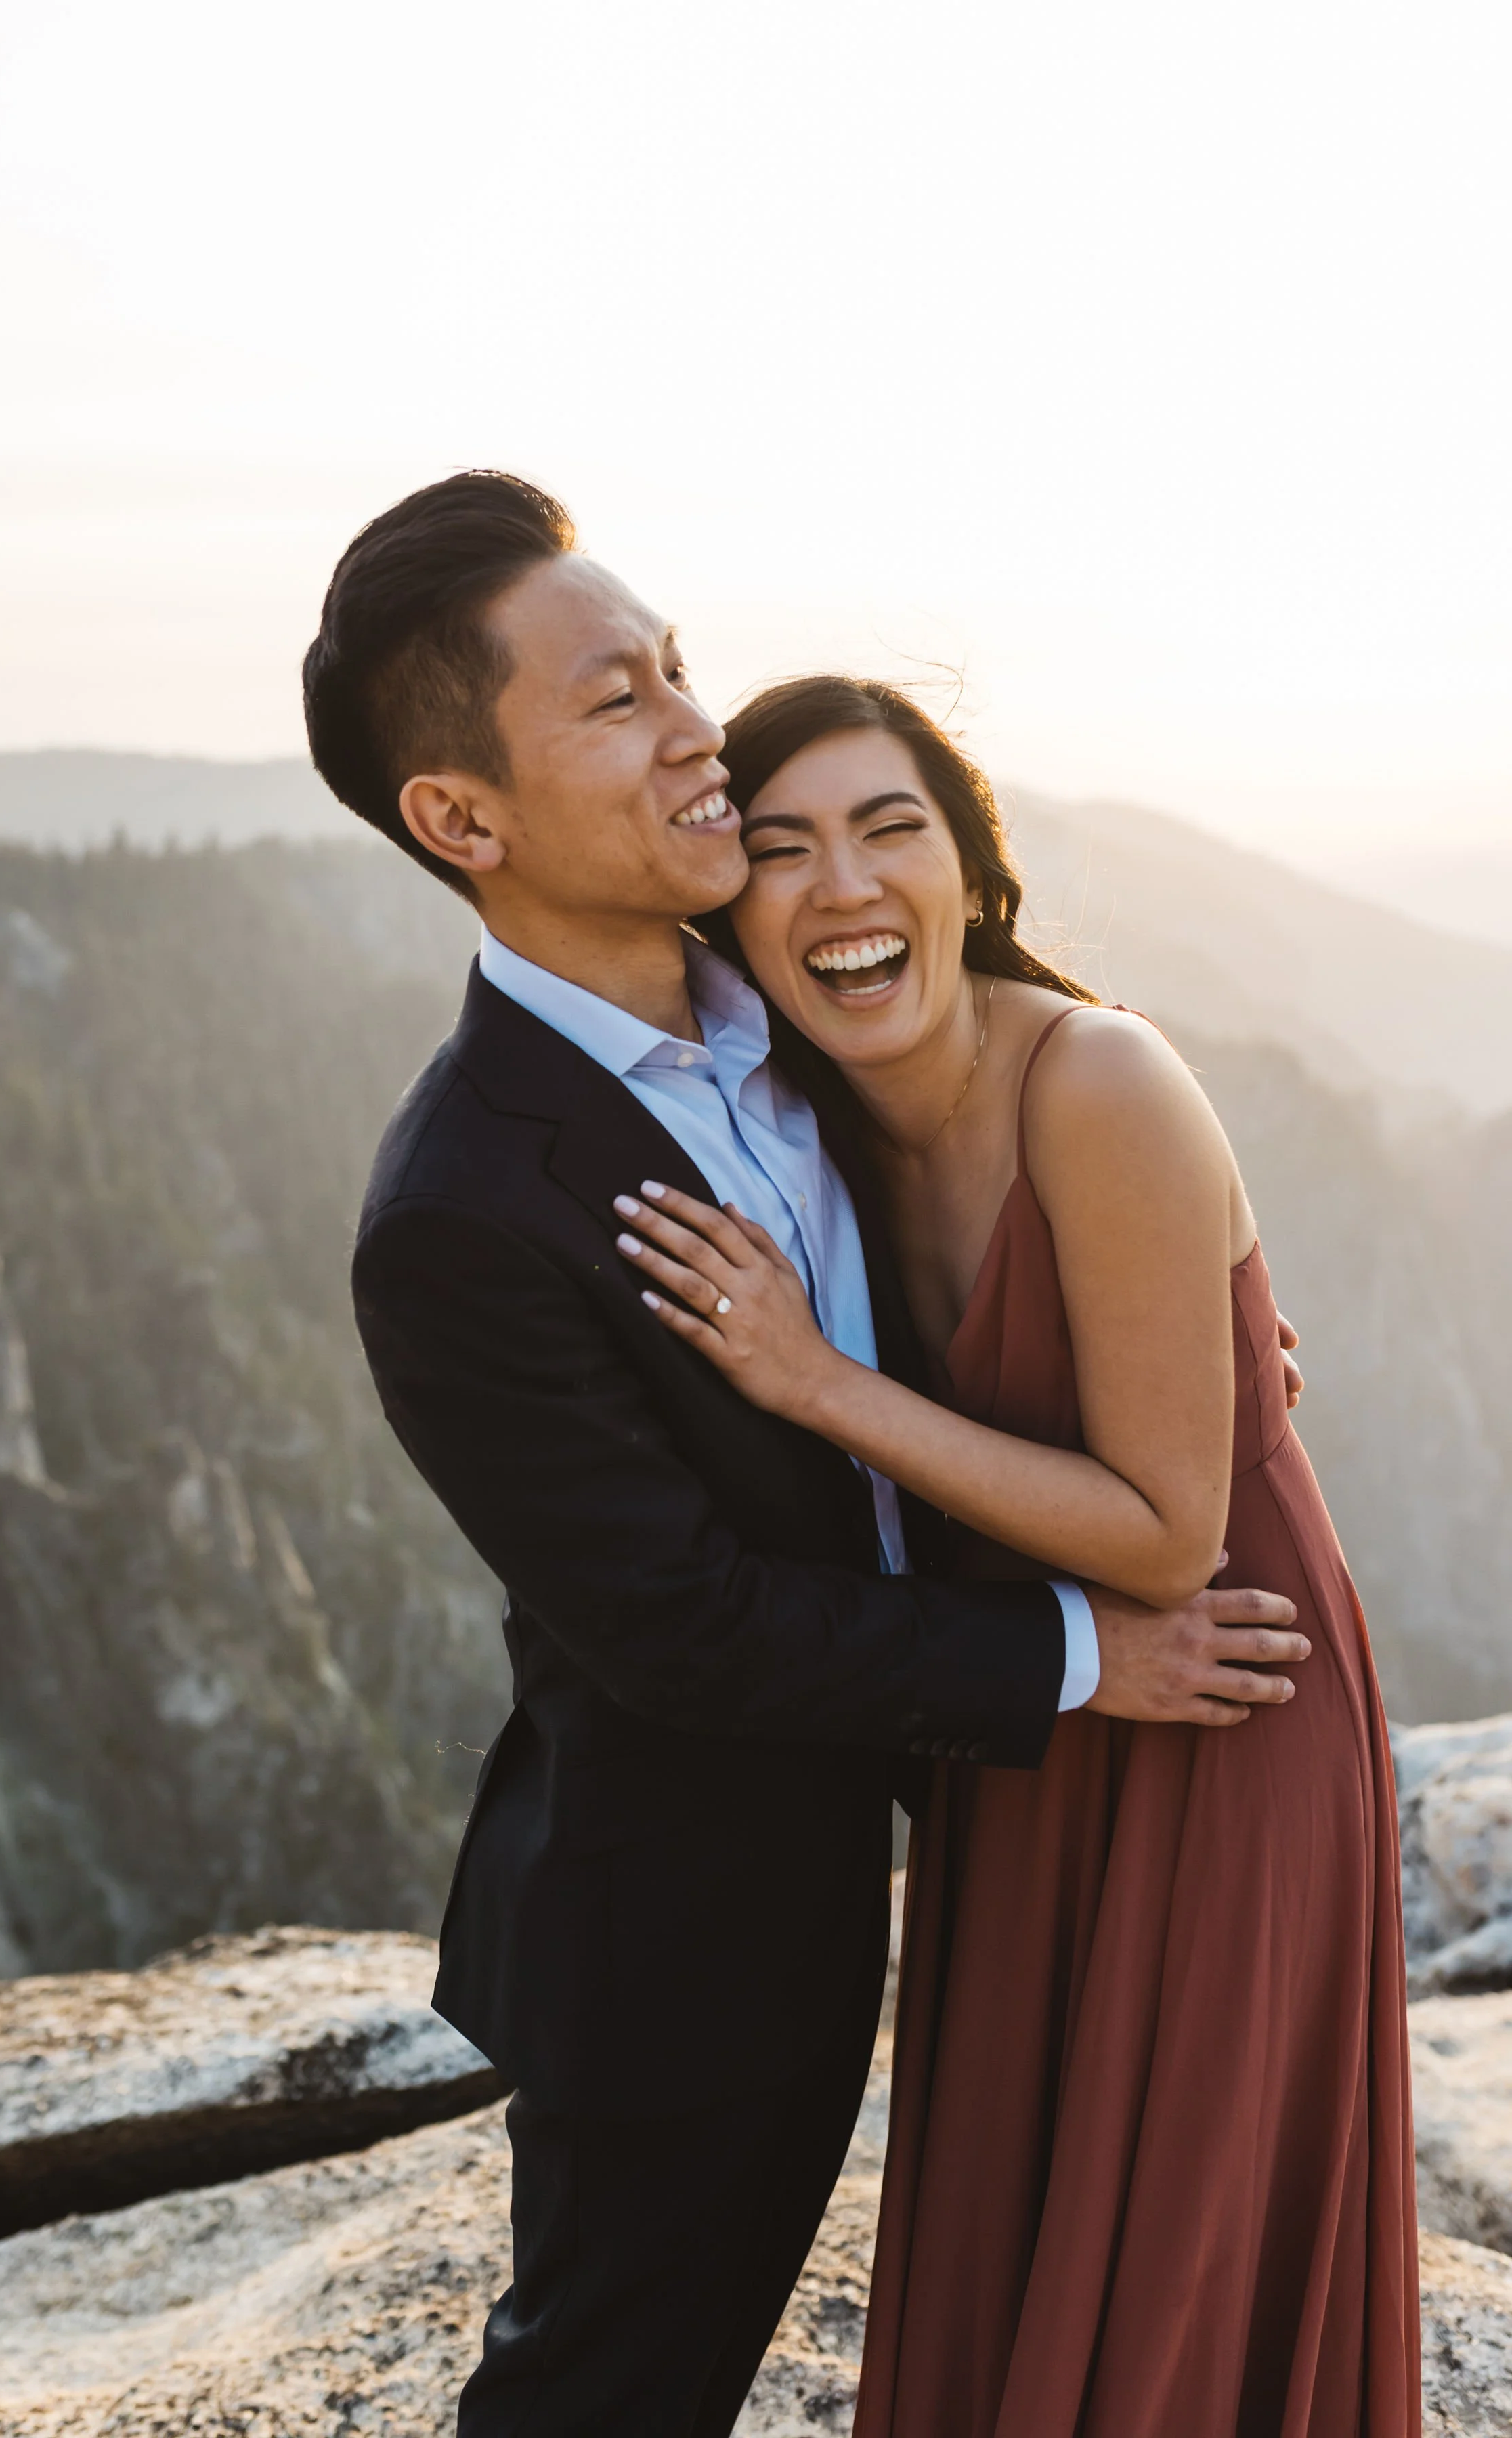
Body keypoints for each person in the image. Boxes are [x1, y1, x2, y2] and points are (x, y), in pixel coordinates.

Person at [302, 471, 1306, 2438]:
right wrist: (1093, 1658)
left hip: (954, 1840)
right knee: (611, 2392)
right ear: (462, 817)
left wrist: (1182, 1312)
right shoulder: (463, 1209)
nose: (695, 729)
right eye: (615, 699)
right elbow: (682, 1625)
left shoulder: (789, 997)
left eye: (678, 668)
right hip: (683, 1931)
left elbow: (1013, 1166)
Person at [620, 675, 1419, 2435]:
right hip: (1028, 1708)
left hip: (1219, 1696)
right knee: (1029, 2226)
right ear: (730, 911)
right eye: (780, 848)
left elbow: (1170, 1529)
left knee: (1175, 2273)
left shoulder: (1101, 1081)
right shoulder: (804, 1131)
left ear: (972, 879)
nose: (842, 885)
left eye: (889, 829)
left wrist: (821, 1385)